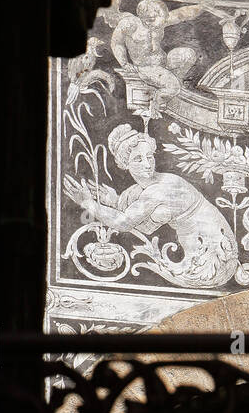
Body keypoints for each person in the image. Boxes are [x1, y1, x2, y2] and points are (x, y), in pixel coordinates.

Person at [63, 123, 238, 289]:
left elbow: (124, 223)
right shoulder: (142, 190)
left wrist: (87, 202)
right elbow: (142, 223)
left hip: (214, 258)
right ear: (125, 164)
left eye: (149, 156)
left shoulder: (160, 188)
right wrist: (114, 201)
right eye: (138, 159)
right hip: (203, 255)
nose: (147, 164)